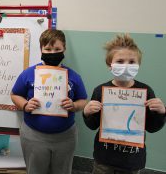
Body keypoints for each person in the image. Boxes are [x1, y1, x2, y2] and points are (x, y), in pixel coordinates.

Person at [83, 34, 166, 174]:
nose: (126, 66)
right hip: (104, 159)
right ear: (110, 65)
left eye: (132, 62)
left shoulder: (145, 91)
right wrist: (86, 112)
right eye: (120, 61)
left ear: (138, 65)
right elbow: (93, 125)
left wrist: (162, 112)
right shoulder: (100, 91)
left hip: (132, 160)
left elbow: (152, 127)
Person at [11, 29, 88, 174]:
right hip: (33, 136)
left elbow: (83, 100)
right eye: (48, 49)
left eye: (57, 49)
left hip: (65, 137)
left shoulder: (73, 76)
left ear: (64, 49)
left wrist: (74, 105)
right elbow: (14, 95)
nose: (52, 53)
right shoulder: (29, 73)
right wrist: (25, 105)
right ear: (41, 49)